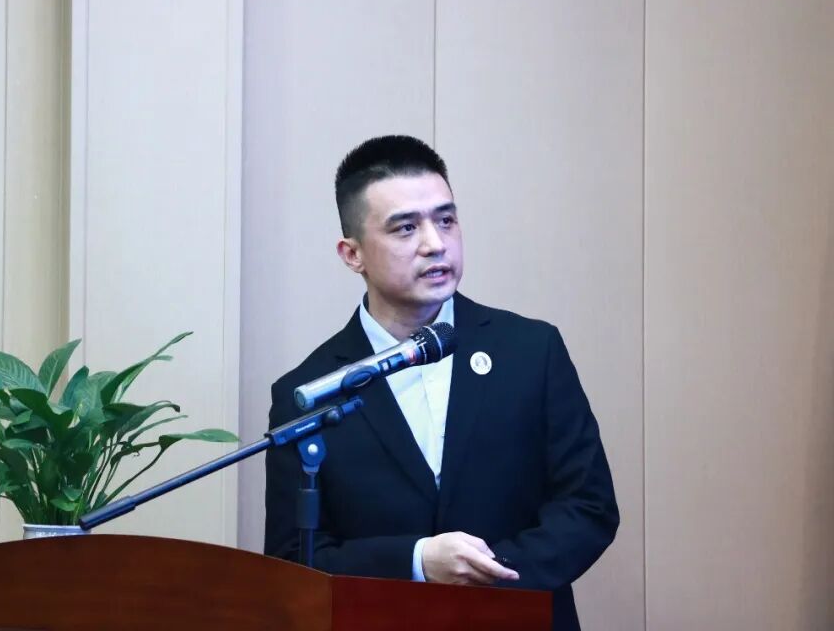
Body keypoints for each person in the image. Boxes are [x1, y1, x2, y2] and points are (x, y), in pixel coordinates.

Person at [264, 135, 618, 631]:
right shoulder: (310, 392)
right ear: (352, 254)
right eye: (406, 228)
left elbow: (588, 505)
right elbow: (294, 557)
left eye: (446, 220)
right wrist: (416, 561)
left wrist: (486, 576)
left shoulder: (530, 351)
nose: (435, 243)